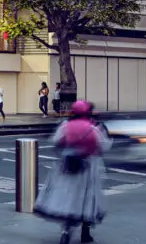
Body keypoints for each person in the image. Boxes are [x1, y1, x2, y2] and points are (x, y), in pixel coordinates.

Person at [35, 100, 107, 244]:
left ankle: (66, 231)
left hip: (67, 168)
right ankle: (85, 234)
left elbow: (56, 141)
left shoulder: (65, 126)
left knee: (69, 200)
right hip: (88, 169)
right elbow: (103, 146)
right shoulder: (94, 128)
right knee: (87, 201)